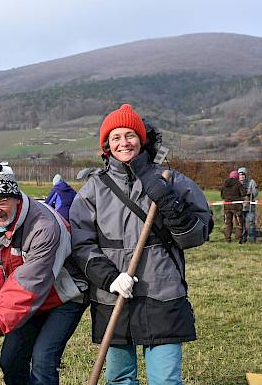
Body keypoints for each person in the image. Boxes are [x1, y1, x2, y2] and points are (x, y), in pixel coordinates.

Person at [70, 104, 212, 385]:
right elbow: (81, 245)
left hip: (163, 292)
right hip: (113, 297)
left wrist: (170, 204)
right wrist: (110, 278)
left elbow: (197, 234)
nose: (124, 142)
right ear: (107, 146)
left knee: (166, 381)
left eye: (130, 135)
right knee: (120, 379)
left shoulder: (172, 180)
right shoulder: (94, 189)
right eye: (116, 137)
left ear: (141, 139)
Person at [0, 162, 88, 385]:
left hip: (64, 295)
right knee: (11, 361)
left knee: (43, 360)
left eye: (1, 202)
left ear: (16, 198)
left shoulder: (43, 226)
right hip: (28, 299)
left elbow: (26, 290)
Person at [221, 170, 246, 243]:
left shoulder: (225, 183)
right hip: (236, 206)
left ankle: (227, 239)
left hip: (227, 206)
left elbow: (222, 195)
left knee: (227, 223)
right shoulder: (238, 183)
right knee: (238, 222)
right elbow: (243, 193)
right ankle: (238, 239)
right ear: (237, 177)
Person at [238, 167, 257, 243]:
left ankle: (252, 238)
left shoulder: (251, 182)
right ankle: (243, 238)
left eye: (243, 175)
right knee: (242, 223)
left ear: (245, 175)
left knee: (251, 222)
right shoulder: (237, 183)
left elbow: (255, 192)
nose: (241, 177)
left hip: (250, 206)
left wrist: (250, 194)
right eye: (240, 175)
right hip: (240, 206)